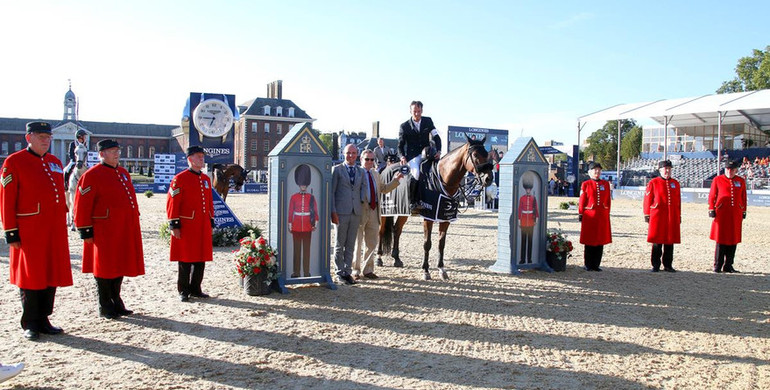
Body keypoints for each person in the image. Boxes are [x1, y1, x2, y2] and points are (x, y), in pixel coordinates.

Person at [0, 121, 72, 341]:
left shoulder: (55, 162)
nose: (45, 140)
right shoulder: (14, 162)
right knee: (31, 276)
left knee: (50, 273)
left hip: (53, 230)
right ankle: (30, 322)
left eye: (48, 136)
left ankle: (44, 318)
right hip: (30, 230)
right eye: (40, 136)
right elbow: (6, 199)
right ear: (28, 137)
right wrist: (11, 231)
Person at [74, 139, 145, 319]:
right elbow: (82, 204)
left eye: (117, 150)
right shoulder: (92, 175)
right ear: (101, 154)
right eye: (112, 151)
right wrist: (85, 229)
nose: (116, 154)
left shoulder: (122, 173)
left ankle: (116, 300)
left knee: (119, 265)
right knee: (104, 268)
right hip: (104, 230)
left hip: (122, 228)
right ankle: (105, 305)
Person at [167, 145, 215, 301]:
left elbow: (209, 202)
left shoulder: (206, 179)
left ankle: (196, 288)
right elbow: (172, 202)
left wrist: (211, 220)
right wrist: (174, 225)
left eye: (202, 156)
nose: (202, 159)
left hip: (202, 225)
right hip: (187, 225)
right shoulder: (179, 179)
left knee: (201, 258)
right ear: (190, 159)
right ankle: (183, 290)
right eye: (198, 156)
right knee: (185, 259)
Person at [353, 150, 402, 279]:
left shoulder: (375, 174)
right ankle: (355, 270)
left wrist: (395, 181)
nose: (369, 162)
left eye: (371, 159)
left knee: (372, 242)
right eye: (367, 159)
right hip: (360, 210)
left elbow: (384, 189)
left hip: (374, 210)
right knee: (357, 243)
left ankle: (368, 270)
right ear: (361, 159)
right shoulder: (356, 172)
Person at [398, 100, 441, 213]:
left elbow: (436, 137)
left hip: (427, 154)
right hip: (413, 156)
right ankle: (413, 202)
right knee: (416, 173)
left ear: (422, 110)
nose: (416, 114)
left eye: (418, 111)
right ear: (410, 111)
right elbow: (400, 144)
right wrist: (402, 156)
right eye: (414, 111)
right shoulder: (404, 126)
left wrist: (439, 150)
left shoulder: (428, 121)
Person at [331, 144, 366, 285]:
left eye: (353, 153)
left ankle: (347, 271)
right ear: (343, 153)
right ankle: (339, 272)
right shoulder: (337, 170)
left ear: (357, 154)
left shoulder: (361, 171)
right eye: (348, 153)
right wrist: (333, 211)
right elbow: (332, 192)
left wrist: (361, 202)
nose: (351, 155)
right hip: (341, 212)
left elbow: (362, 188)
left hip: (355, 212)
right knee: (340, 243)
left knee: (351, 244)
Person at [708, 159, 747, 273]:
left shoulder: (741, 181)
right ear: (725, 169)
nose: (730, 171)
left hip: (735, 213)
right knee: (721, 238)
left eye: (732, 169)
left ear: (736, 170)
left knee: (733, 238)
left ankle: (729, 265)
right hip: (722, 213)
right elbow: (712, 195)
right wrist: (711, 208)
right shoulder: (717, 179)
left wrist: (743, 210)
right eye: (728, 169)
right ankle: (718, 265)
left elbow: (743, 197)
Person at [643, 160, 681, 272]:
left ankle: (668, 265)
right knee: (657, 241)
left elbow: (678, 201)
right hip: (658, 216)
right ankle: (655, 264)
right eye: (665, 169)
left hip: (671, 215)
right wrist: (647, 214)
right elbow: (647, 199)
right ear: (660, 170)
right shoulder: (653, 183)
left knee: (670, 241)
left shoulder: (675, 183)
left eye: (669, 169)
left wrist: (678, 215)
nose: (667, 171)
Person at [578, 162, 612, 271]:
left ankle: (596, 264)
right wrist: (581, 213)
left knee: (600, 240)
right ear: (590, 172)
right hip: (590, 215)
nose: (597, 172)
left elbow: (607, 200)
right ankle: (588, 264)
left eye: (598, 170)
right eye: (594, 170)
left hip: (601, 215)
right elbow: (582, 199)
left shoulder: (605, 184)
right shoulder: (586, 184)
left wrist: (607, 212)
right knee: (589, 240)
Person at [288, 164, 318, 278]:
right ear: (299, 184)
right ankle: (296, 272)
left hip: (307, 225)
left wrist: (315, 223)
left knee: (306, 250)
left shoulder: (311, 197)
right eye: (302, 184)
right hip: (296, 225)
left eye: (305, 184)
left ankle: (306, 272)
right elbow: (291, 211)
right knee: (297, 250)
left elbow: (315, 211)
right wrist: (290, 224)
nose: (303, 186)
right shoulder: (294, 197)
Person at [518, 178, 539, 264]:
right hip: (523, 220)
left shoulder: (533, 198)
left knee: (530, 241)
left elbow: (536, 209)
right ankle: (522, 259)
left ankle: (529, 258)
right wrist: (519, 219)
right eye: (527, 189)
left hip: (530, 220)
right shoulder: (522, 198)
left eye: (529, 189)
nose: (528, 190)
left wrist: (536, 218)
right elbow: (520, 209)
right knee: (523, 241)